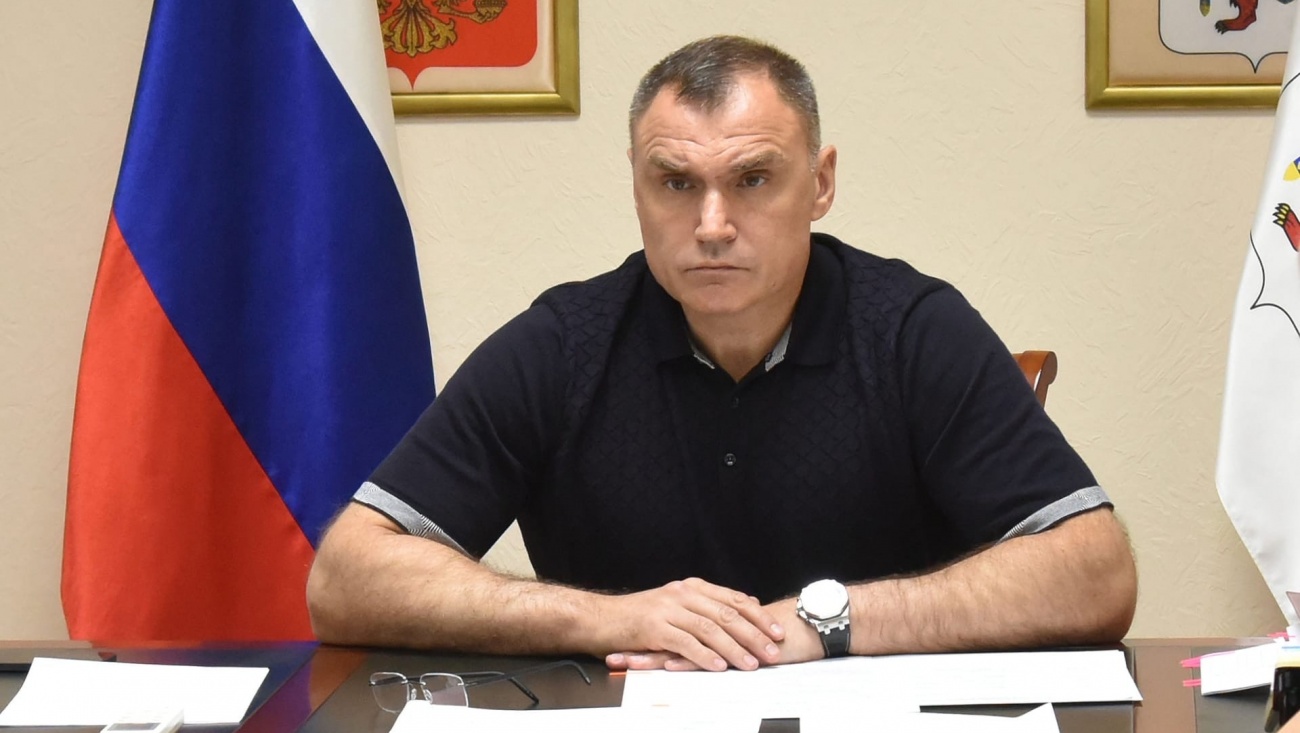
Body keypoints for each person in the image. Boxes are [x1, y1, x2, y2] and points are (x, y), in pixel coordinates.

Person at [307, 35, 1136, 672]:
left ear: (820, 183)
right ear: (635, 183)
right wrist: (612, 616)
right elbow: (346, 578)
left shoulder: (912, 329)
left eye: (752, 180)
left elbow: (1094, 573)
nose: (711, 225)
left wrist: (822, 621)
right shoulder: (564, 343)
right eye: (675, 182)